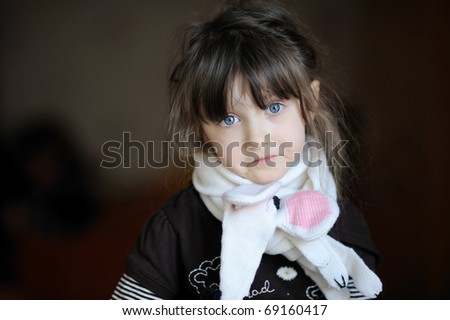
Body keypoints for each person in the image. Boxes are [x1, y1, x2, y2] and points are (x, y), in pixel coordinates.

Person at [112, 0, 382, 300]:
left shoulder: (340, 219)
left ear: (310, 102)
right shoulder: (175, 229)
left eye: (274, 107)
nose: (256, 139)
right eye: (229, 119)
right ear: (201, 129)